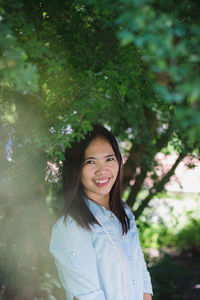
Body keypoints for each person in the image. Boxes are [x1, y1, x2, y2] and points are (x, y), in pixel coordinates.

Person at [49, 124, 153, 300]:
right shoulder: (72, 227)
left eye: (109, 159)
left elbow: (141, 278)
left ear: (119, 161)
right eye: (90, 162)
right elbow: (87, 297)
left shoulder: (125, 212)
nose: (102, 170)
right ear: (75, 168)